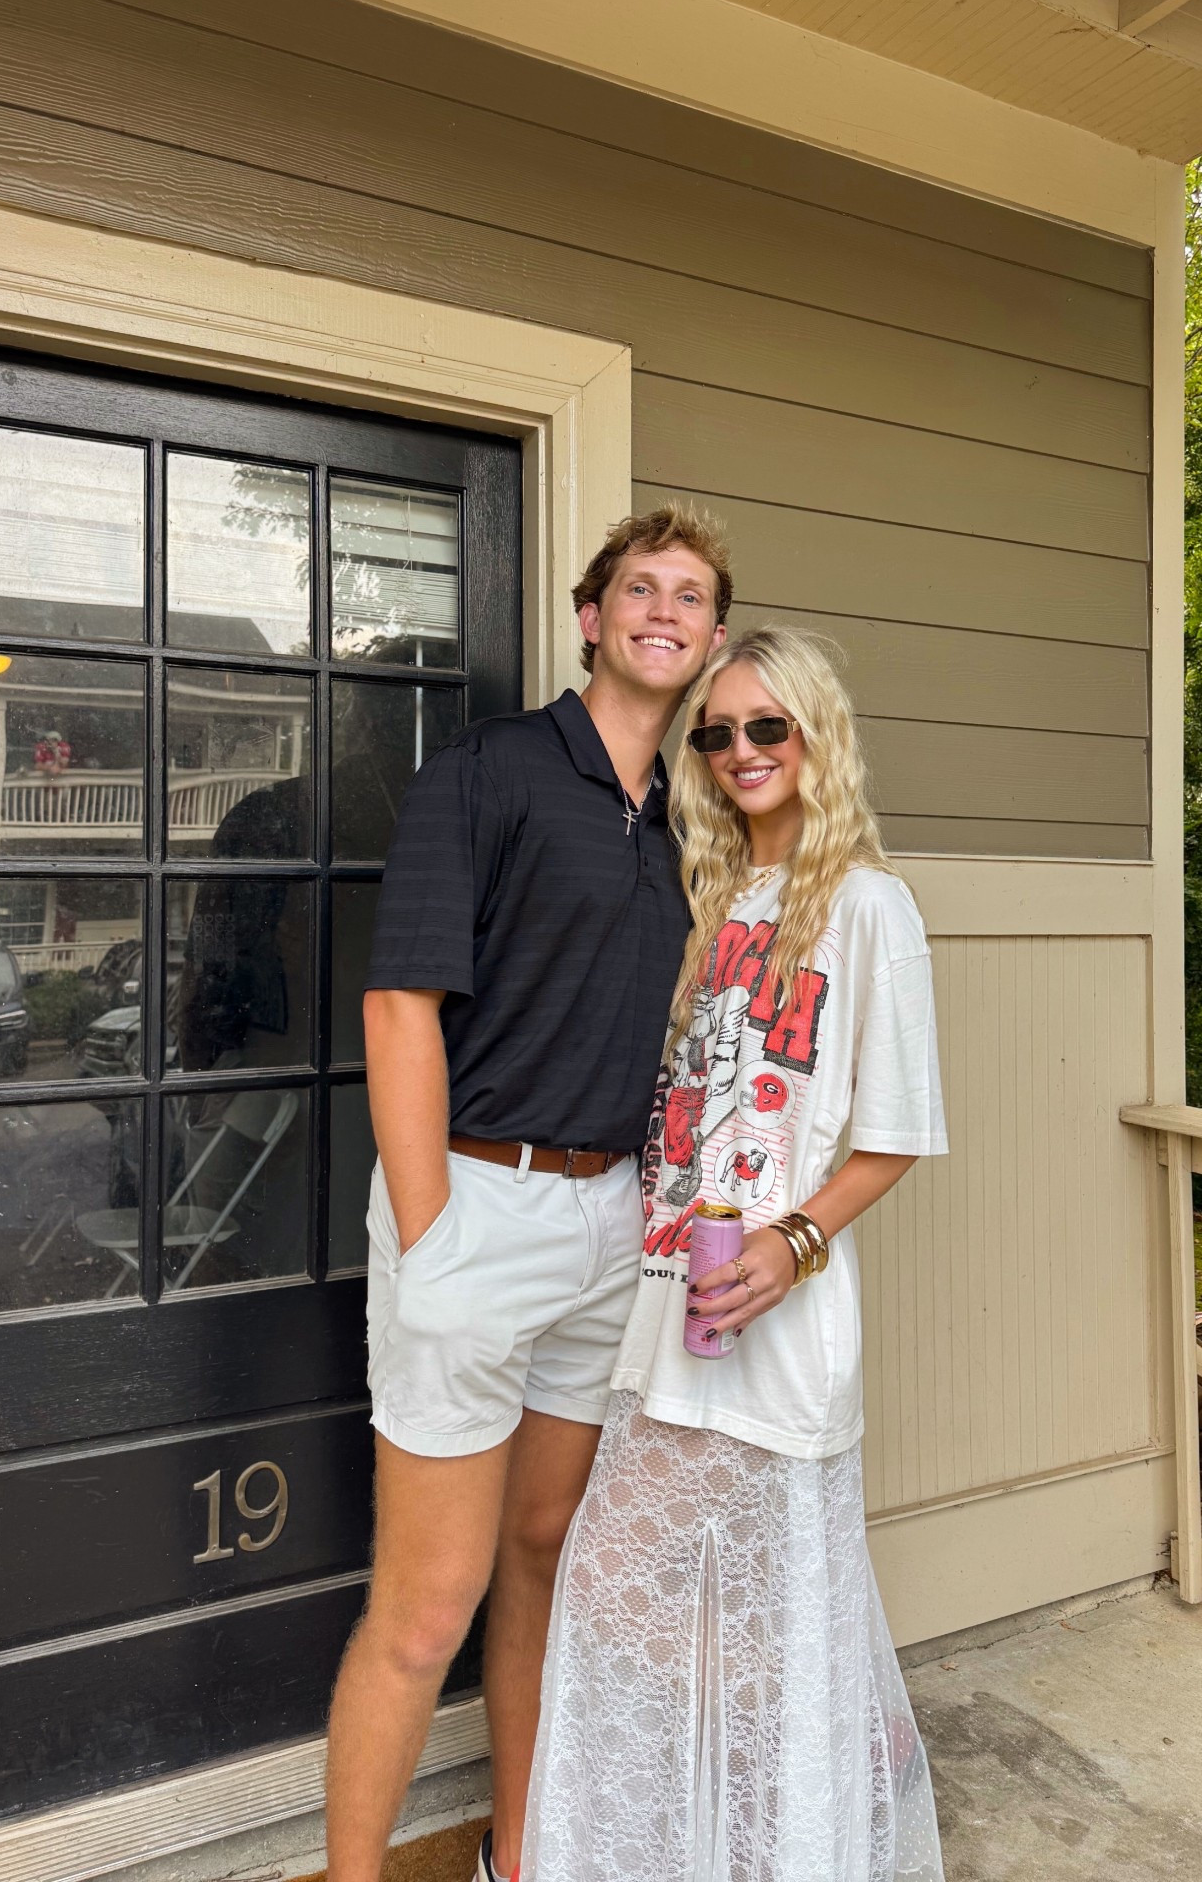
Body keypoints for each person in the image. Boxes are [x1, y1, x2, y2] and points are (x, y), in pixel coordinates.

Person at [323, 506, 732, 1882]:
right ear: (590, 616)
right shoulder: (490, 771)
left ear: (712, 638)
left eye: (689, 596)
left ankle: (523, 1854)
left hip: (610, 1223)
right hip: (478, 1211)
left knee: (541, 1558)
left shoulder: (686, 817)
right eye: (638, 588)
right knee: (424, 1605)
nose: (662, 609)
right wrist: (432, 1234)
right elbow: (399, 1008)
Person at [522, 626, 948, 1882]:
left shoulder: (868, 904)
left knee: (690, 1593)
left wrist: (796, 1240)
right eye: (717, 731)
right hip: (668, 1301)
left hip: (775, 1318)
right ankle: (778, 1804)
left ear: (817, 733)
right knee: (682, 1600)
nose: (742, 750)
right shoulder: (707, 903)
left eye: (769, 726)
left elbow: (896, 1132)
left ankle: (813, 1812)